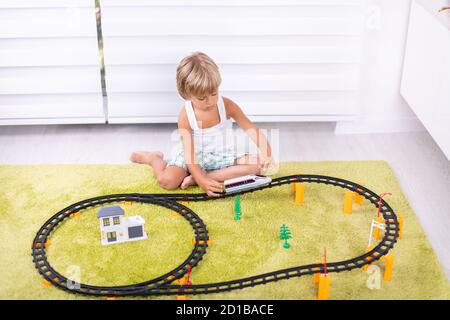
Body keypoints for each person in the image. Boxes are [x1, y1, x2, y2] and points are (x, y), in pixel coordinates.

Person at [131, 52, 276, 197]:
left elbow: (251, 129)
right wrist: (201, 179)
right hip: (193, 158)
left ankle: (199, 177)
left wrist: (267, 153)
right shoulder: (185, 115)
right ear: (187, 94)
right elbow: (190, 155)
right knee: (167, 181)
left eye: (214, 93)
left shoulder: (226, 105)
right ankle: (153, 158)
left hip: (222, 155)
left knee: (258, 166)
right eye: (202, 98)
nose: (210, 101)